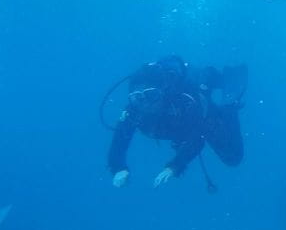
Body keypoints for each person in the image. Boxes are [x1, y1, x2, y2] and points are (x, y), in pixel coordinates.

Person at [106, 55, 247, 188]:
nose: (146, 103)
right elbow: (119, 141)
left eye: (151, 94)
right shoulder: (134, 110)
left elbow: (197, 139)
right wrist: (118, 168)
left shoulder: (184, 103)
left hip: (201, 112)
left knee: (233, 157)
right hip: (180, 128)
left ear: (164, 92)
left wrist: (174, 166)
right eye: (138, 97)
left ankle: (228, 104)